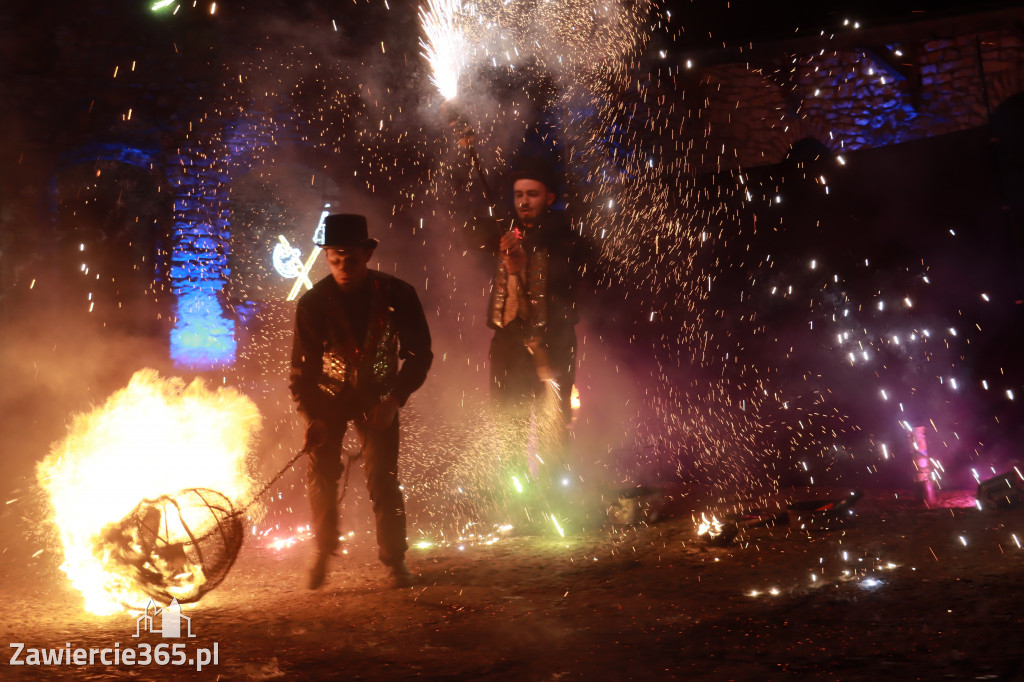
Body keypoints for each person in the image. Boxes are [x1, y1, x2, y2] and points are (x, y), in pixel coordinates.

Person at [289, 214, 432, 589]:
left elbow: (420, 355)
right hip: (327, 400)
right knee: (321, 473)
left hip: (380, 395)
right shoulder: (313, 303)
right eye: (334, 260)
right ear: (326, 258)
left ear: (367, 254)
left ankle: (394, 560)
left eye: (350, 259)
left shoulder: (398, 294)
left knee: (383, 478)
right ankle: (323, 549)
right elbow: (301, 372)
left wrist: (394, 401)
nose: (343, 268)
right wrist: (312, 418)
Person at [485, 162, 583, 491]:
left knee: (552, 425)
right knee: (508, 421)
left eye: (532, 195)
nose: (524, 202)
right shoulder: (507, 233)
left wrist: (528, 259)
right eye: (518, 195)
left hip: (552, 341)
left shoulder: (564, 236)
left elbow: (569, 287)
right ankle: (517, 501)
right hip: (508, 342)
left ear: (548, 198)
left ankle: (553, 498)